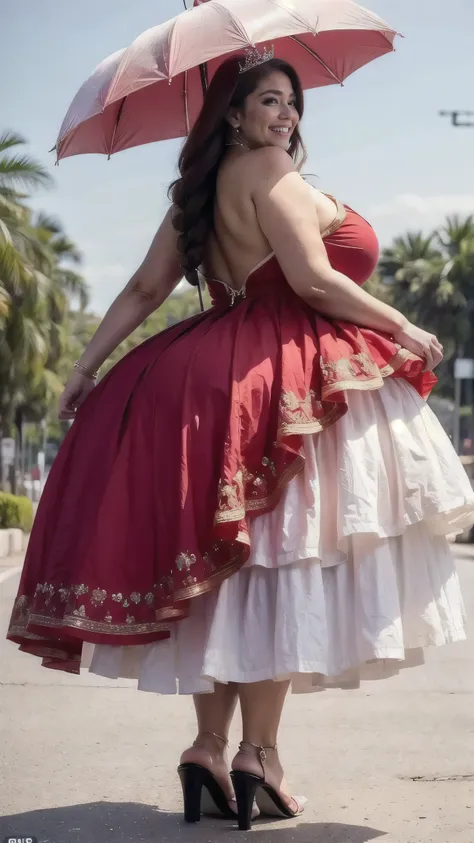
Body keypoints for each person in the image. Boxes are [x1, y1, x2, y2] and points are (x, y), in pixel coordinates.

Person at [7, 52, 474, 832]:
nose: (286, 114)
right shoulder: (269, 169)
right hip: (273, 375)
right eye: (267, 100)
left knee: (220, 576)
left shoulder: (197, 191)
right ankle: (261, 754)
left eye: (291, 102)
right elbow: (315, 280)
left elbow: (145, 289)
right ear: (232, 113)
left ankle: (206, 747)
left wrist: (87, 367)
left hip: (194, 371)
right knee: (281, 565)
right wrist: (401, 323)